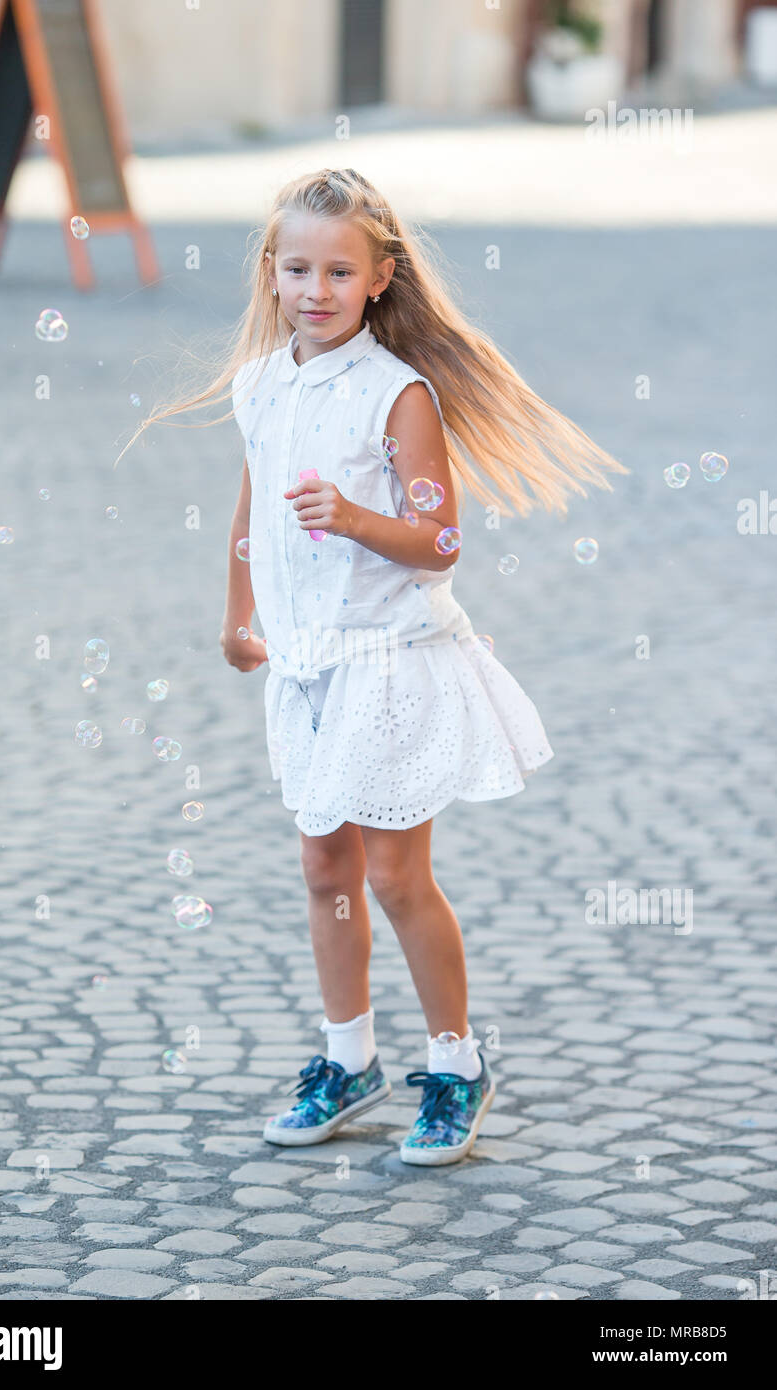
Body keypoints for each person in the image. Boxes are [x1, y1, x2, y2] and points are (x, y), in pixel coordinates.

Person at [125, 167, 628, 1166]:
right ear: (270, 273)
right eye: (297, 267)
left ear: (379, 278)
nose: (315, 288)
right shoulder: (263, 382)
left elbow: (439, 543)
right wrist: (238, 617)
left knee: (397, 874)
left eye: (338, 271)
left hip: (389, 660)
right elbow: (250, 510)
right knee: (324, 867)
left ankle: (455, 1063)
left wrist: (353, 518)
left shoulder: (398, 396)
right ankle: (347, 1057)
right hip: (307, 662)